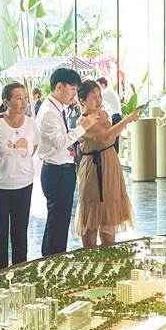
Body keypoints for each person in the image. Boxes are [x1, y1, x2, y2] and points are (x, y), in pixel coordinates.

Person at [38, 68, 99, 256]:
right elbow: (59, 143)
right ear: (59, 87)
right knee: (57, 222)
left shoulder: (57, 109)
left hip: (62, 169)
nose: (74, 94)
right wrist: (82, 127)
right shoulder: (49, 112)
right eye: (72, 89)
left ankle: (53, 259)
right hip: (56, 171)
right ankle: (53, 260)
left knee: (59, 221)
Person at [75, 80, 138, 248]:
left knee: (109, 211)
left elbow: (109, 137)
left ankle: (109, 251)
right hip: (93, 167)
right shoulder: (82, 122)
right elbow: (105, 136)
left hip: (110, 162)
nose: (98, 101)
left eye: (99, 96)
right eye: (93, 97)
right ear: (82, 101)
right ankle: (90, 254)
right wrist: (126, 120)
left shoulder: (103, 114)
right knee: (92, 209)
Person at [0, 83, 39, 271]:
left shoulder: (31, 123)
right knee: (0, 235)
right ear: (6, 102)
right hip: (1, 185)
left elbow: (34, 146)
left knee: (20, 232)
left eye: (24, 97)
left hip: (24, 183)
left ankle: (21, 272)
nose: (23, 102)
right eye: (18, 98)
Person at [96, 77, 123, 152]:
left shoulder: (106, 92)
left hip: (115, 117)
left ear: (103, 85)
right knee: (115, 139)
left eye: (98, 86)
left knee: (113, 139)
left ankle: (114, 156)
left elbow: (96, 97)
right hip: (117, 116)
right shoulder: (111, 91)